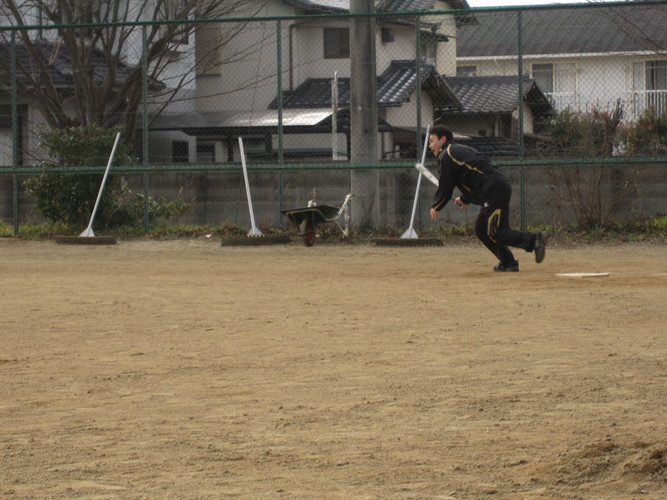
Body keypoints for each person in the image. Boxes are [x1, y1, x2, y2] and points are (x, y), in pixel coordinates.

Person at [427, 125, 547, 272]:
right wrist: (464, 199)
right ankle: (508, 262)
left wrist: (436, 206)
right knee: (481, 229)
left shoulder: (447, 154)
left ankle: (535, 239)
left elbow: (446, 186)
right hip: (494, 187)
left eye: (432, 141)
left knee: (496, 231)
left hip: (493, 189)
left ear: (443, 139)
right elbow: (473, 177)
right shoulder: (457, 151)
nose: (430, 146)